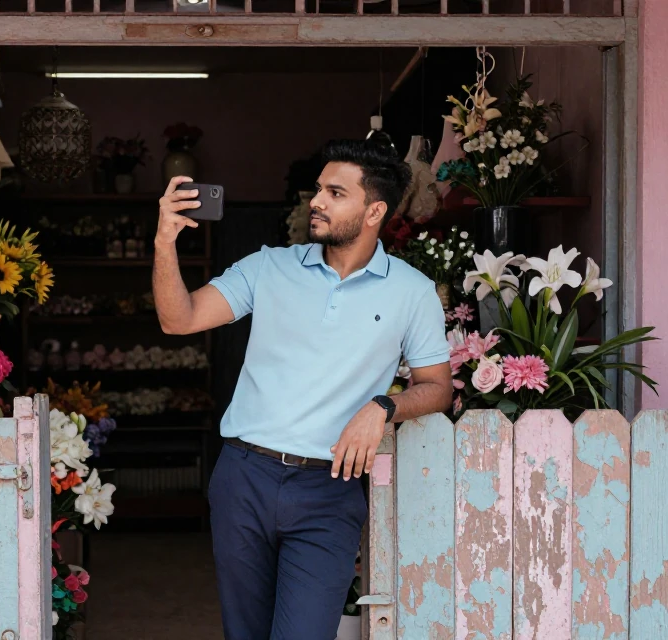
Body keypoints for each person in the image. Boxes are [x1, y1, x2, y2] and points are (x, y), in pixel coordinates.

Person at [151, 139, 454, 639]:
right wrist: (164, 243)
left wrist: (384, 406)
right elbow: (178, 319)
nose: (317, 201)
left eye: (336, 192)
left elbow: (437, 388)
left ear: (374, 210)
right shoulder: (268, 266)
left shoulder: (412, 291)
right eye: (319, 189)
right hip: (244, 477)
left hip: (328, 491)